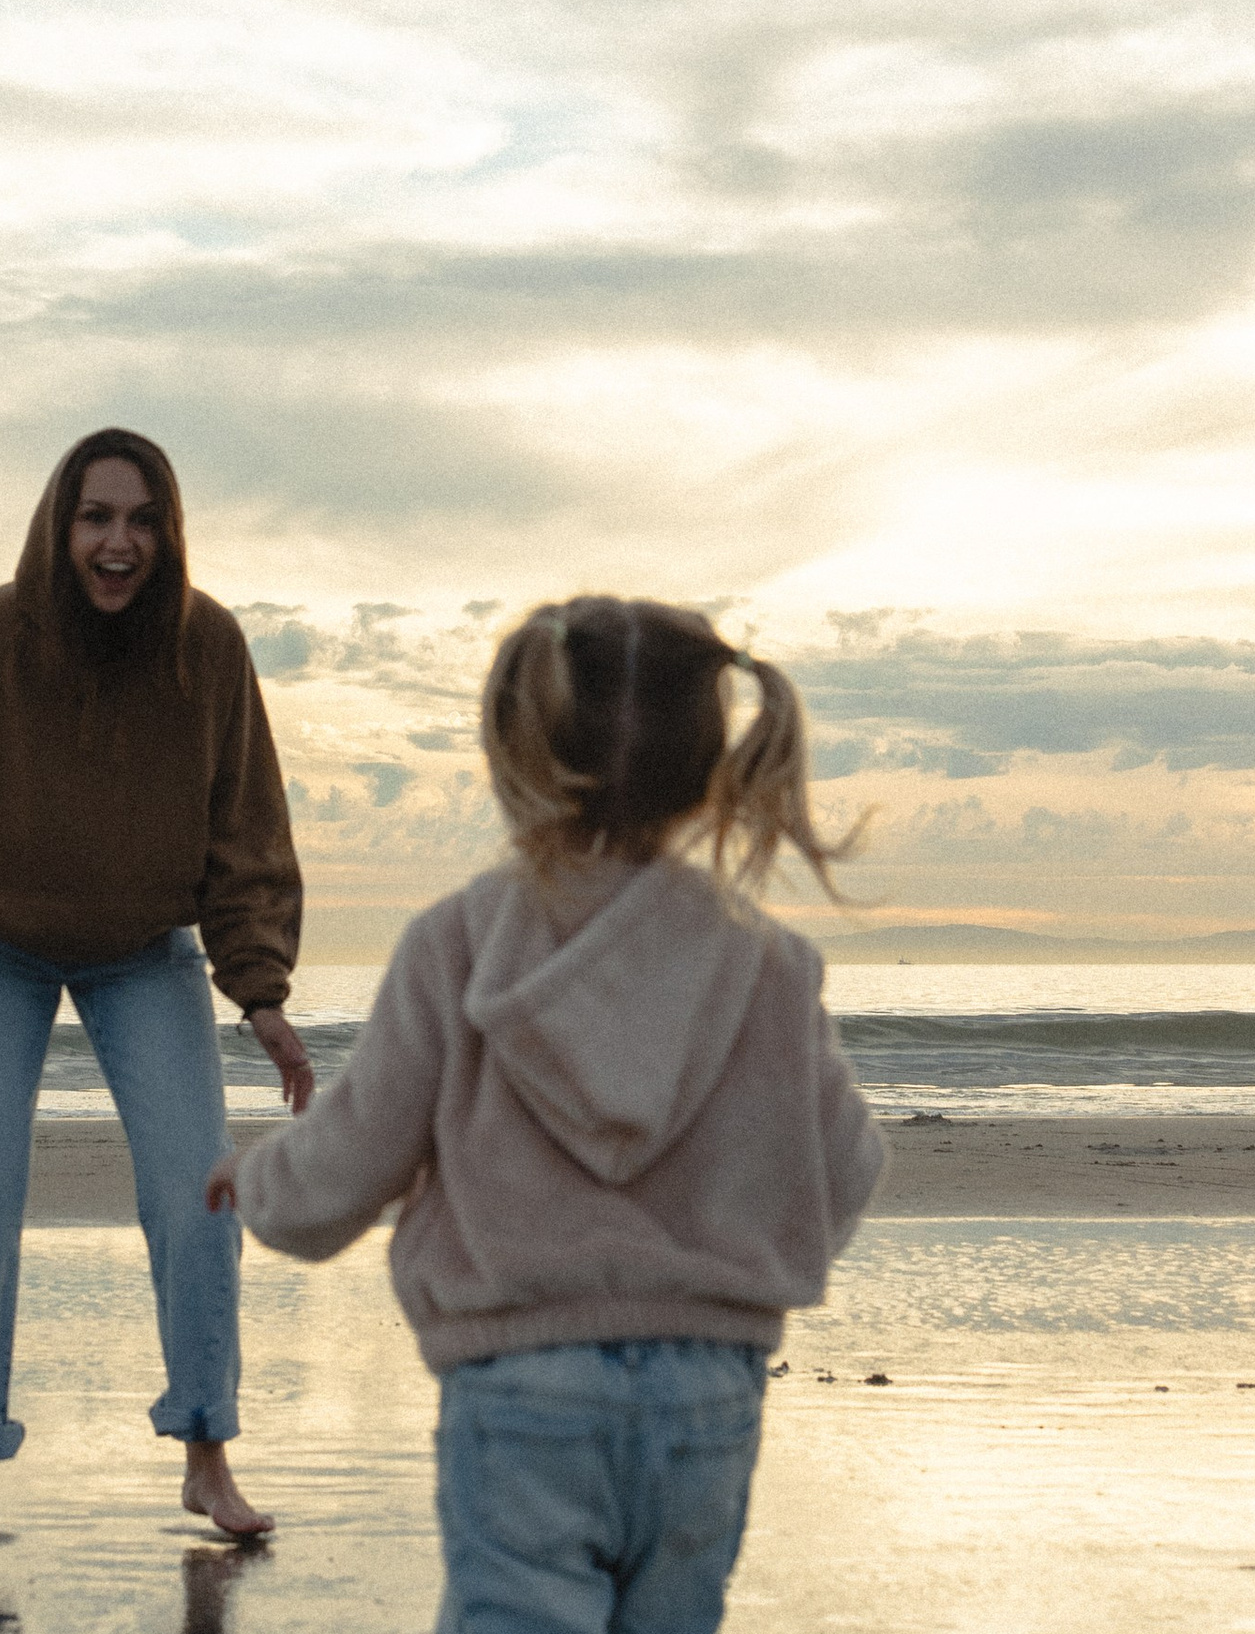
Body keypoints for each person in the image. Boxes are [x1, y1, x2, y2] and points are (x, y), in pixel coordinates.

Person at [211, 595, 882, 1632]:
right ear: (707, 769)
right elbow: (844, 1163)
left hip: (523, 1384)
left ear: (516, 750)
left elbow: (352, 1156)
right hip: (708, 1394)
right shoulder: (768, 965)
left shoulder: (461, 942)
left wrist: (259, 1183)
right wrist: (727, 1253)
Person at [0, 427, 312, 1556]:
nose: (118, 542)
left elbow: (245, 831)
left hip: (146, 948)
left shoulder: (208, 649)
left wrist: (262, 993)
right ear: (61, 526)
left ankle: (207, 1456)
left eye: (140, 520)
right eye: (96, 517)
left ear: (168, 531)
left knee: (199, 1196)